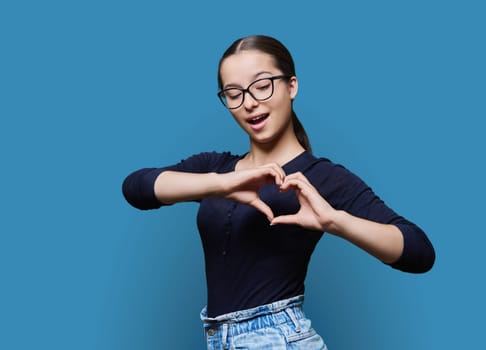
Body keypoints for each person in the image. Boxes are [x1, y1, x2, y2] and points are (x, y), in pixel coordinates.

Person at [122, 35, 435, 349]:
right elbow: (137, 188)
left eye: (262, 85)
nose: (249, 102)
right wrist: (223, 184)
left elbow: (419, 252)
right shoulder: (215, 166)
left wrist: (336, 222)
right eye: (234, 93)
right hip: (219, 338)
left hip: (278, 339)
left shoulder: (320, 177)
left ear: (291, 86)